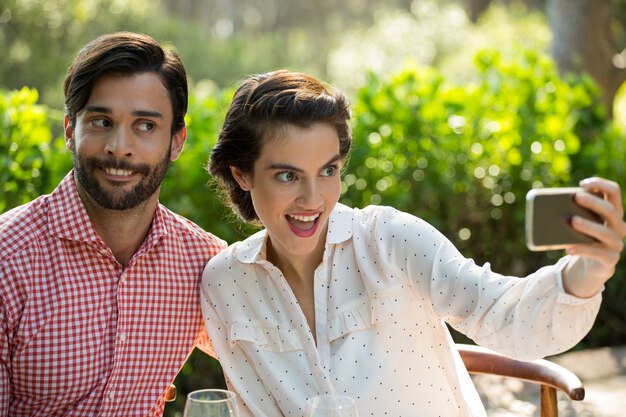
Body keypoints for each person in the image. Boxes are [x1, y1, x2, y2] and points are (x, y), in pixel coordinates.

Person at [200, 70, 626, 417]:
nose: (313, 200)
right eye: (288, 176)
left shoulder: (390, 240)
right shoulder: (226, 282)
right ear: (242, 174)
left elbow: (500, 313)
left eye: (328, 171)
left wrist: (584, 274)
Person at [0, 32, 226, 416]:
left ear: (177, 140)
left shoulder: (204, 262)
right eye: (102, 121)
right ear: (71, 131)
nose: (119, 147)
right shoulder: (8, 261)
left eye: (146, 126)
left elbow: (277, 363)